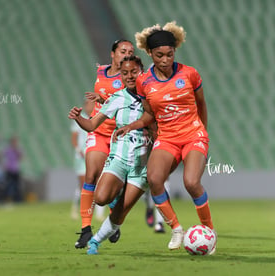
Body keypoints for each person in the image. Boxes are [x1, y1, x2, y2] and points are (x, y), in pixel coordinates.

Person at [114, 21, 216, 252]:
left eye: (170, 54)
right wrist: (132, 125)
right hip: (167, 138)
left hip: (193, 135)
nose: (165, 60)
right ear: (150, 53)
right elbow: (149, 114)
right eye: (159, 55)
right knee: (154, 179)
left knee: (191, 182)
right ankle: (176, 229)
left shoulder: (189, 74)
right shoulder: (144, 81)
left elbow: (201, 104)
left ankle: (209, 230)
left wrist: (203, 134)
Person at [69, 55, 152, 255]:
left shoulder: (153, 95)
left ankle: (95, 241)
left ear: (142, 72)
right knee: (101, 198)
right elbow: (91, 124)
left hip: (142, 165)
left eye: (134, 71)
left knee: (120, 214)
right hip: (120, 158)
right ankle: (120, 191)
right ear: (121, 76)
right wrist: (79, 118)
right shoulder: (117, 98)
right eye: (125, 73)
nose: (130, 76)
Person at [73, 39, 134, 249]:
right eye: (123, 51)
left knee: (113, 186)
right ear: (113, 54)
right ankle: (85, 230)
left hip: (119, 136)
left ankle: (112, 224)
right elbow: (105, 100)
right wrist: (98, 101)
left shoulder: (131, 76)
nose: (126, 54)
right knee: (91, 176)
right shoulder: (101, 72)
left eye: (130, 51)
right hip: (99, 132)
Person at [70, 99, 105, 220]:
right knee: (84, 184)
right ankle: (76, 207)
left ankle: (98, 214)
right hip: (82, 156)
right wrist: (78, 150)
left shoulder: (98, 117)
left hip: (95, 154)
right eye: (88, 104)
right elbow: (74, 137)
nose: (89, 106)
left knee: (99, 183)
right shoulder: (80, 118)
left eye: (92, 104)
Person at [2, 136, 23, 202]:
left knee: (16, 185)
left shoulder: (18, 149)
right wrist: (3, 165)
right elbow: (0, 155)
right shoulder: (8, 149)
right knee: (8, 185)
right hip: (9, 169)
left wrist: (16, 150)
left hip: (16, 169)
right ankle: (7, 199)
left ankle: (17, 199)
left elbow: (21, 157)